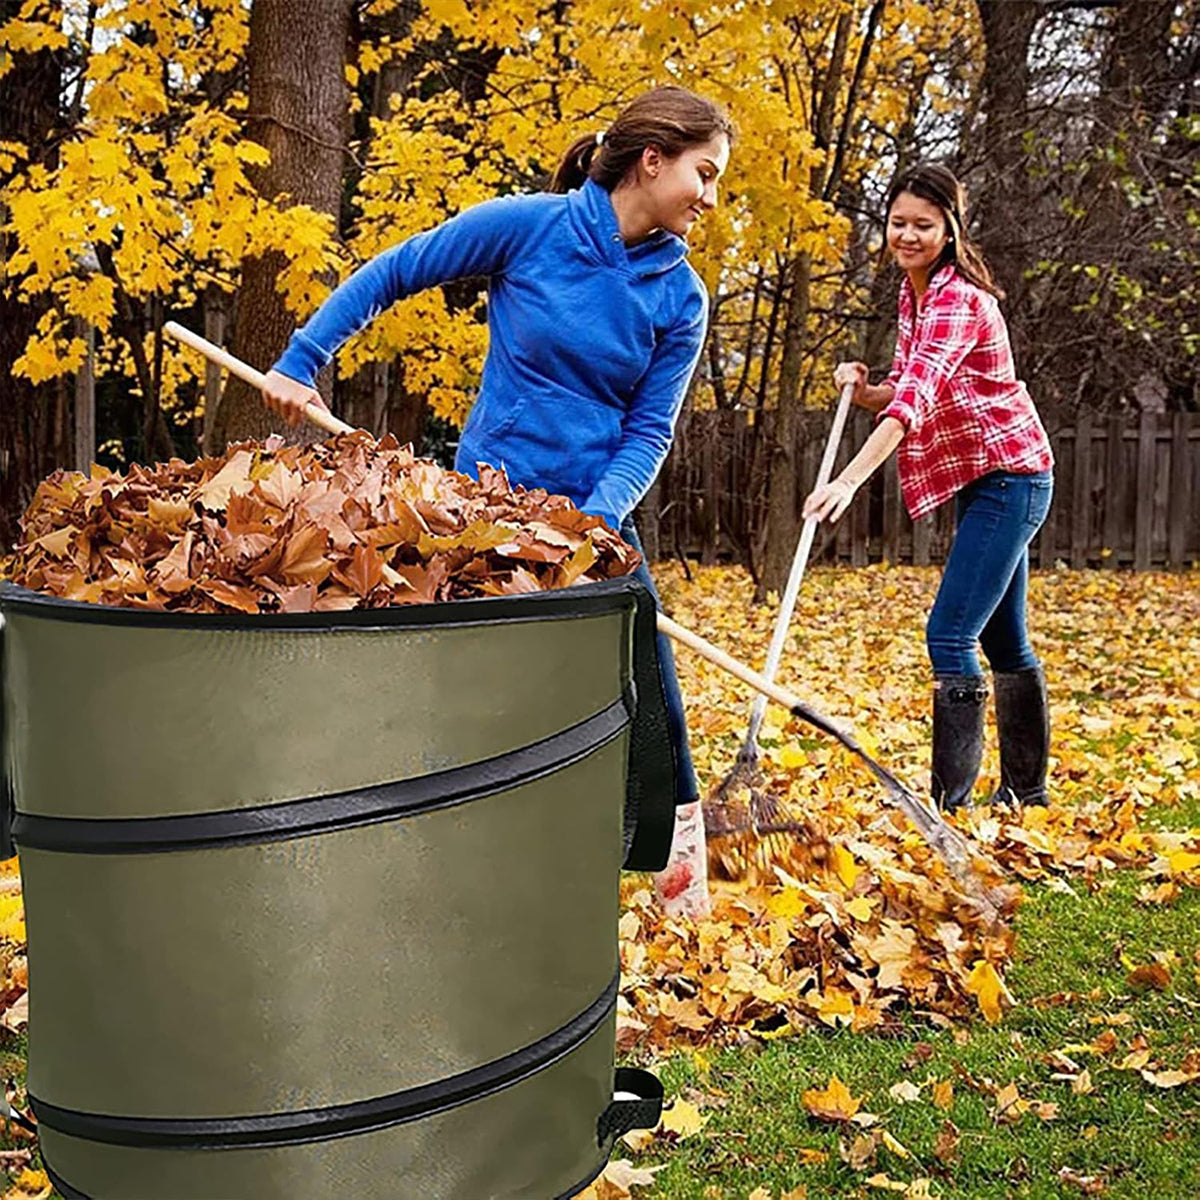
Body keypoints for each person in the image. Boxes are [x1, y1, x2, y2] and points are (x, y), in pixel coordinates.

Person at [261, 85, 734, 913]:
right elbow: (398, 270)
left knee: (646, 673)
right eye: (706, 173)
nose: (712, 196)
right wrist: (304, 359)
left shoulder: (680, 297)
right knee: (458, 676)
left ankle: (674, 861)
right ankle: (418, 839)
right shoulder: (535, 226)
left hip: (591, 514)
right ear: (652, 159)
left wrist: (596, 516)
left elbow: (649, 431)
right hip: (486, 500)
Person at [803, 162, 1055, 812]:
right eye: (898, 223)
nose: (907, 236)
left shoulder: (958, 300)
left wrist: (849, 480)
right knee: (1003, 641)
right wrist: (862, 392)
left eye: (923, 225)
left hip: (1014, 476)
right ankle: (1027, 794)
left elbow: (913, 401)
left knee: (949, 633)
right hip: (985, 478)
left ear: (949, 230)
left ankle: (950, 807)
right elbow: (905, 387)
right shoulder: (914, 294)